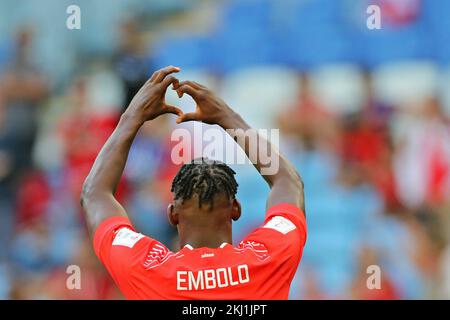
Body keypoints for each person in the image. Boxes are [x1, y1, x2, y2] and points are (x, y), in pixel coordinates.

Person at [80, 66, 307, 299]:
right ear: (236, 209)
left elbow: (94, 193)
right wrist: (226, 116)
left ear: (172, 214)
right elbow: (287, 182)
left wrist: (131, 117)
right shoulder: (269, 257)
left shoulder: (146, 268)